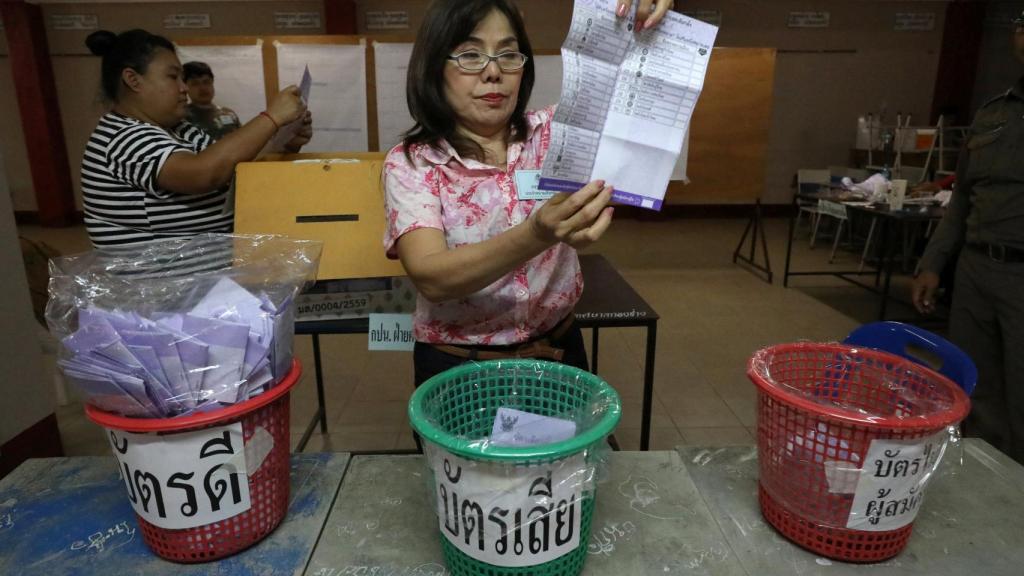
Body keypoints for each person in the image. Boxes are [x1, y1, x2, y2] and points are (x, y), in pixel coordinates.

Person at [383, 0, 674, 389]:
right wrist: (538, 233)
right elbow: (432, 276)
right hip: (459, 366)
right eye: (471, 55)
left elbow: (640, 99)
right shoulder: (413, 163)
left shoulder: (554, 133)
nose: (493, 72)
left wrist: (648, 26)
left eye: (508, 54)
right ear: (434, 67)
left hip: (558, 349)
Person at [81, 29, 312, 251]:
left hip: (206, 270)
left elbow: (233, 168)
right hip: (161, 277)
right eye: (173, 77)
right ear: (133, 80)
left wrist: (283, 142)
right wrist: (271, 117)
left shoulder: (178, 129)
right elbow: (204, 174)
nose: (184, 88)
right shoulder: (123, 136)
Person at [912, 11, 1024, 464]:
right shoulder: (994, 112)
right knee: (974, 387)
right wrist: (933, 263)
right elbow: (962, 199)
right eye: (1022, 26)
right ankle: (986, 478)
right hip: (976, 271)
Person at [182, 61, 241, 141]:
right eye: (195, 84)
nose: (203, 88)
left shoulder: (229, 114)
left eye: (206, 82)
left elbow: (243, 140)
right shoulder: (182, 117)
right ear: (185, 87)